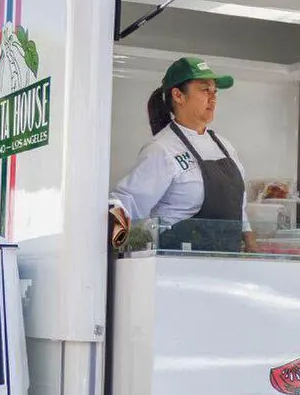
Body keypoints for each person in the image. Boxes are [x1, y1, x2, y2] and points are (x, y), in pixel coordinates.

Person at [109, 56, 257, 253]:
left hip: (225, 268)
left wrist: (250, 241)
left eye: (215, 91)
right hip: (176, 268)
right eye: (205, 90)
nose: (212, 98)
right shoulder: (162, 149)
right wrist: (124, 258)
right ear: (178, 95)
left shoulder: (225, 146)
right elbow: (126, 202)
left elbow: (239, 207)